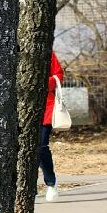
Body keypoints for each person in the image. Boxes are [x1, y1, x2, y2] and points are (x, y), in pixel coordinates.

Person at [41, 51, 64, 201]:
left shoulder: (46, 51)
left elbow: (58, 76)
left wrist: (40, 83)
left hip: (45, 109)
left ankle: (51, 183)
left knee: (40, 148)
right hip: (15, 109)